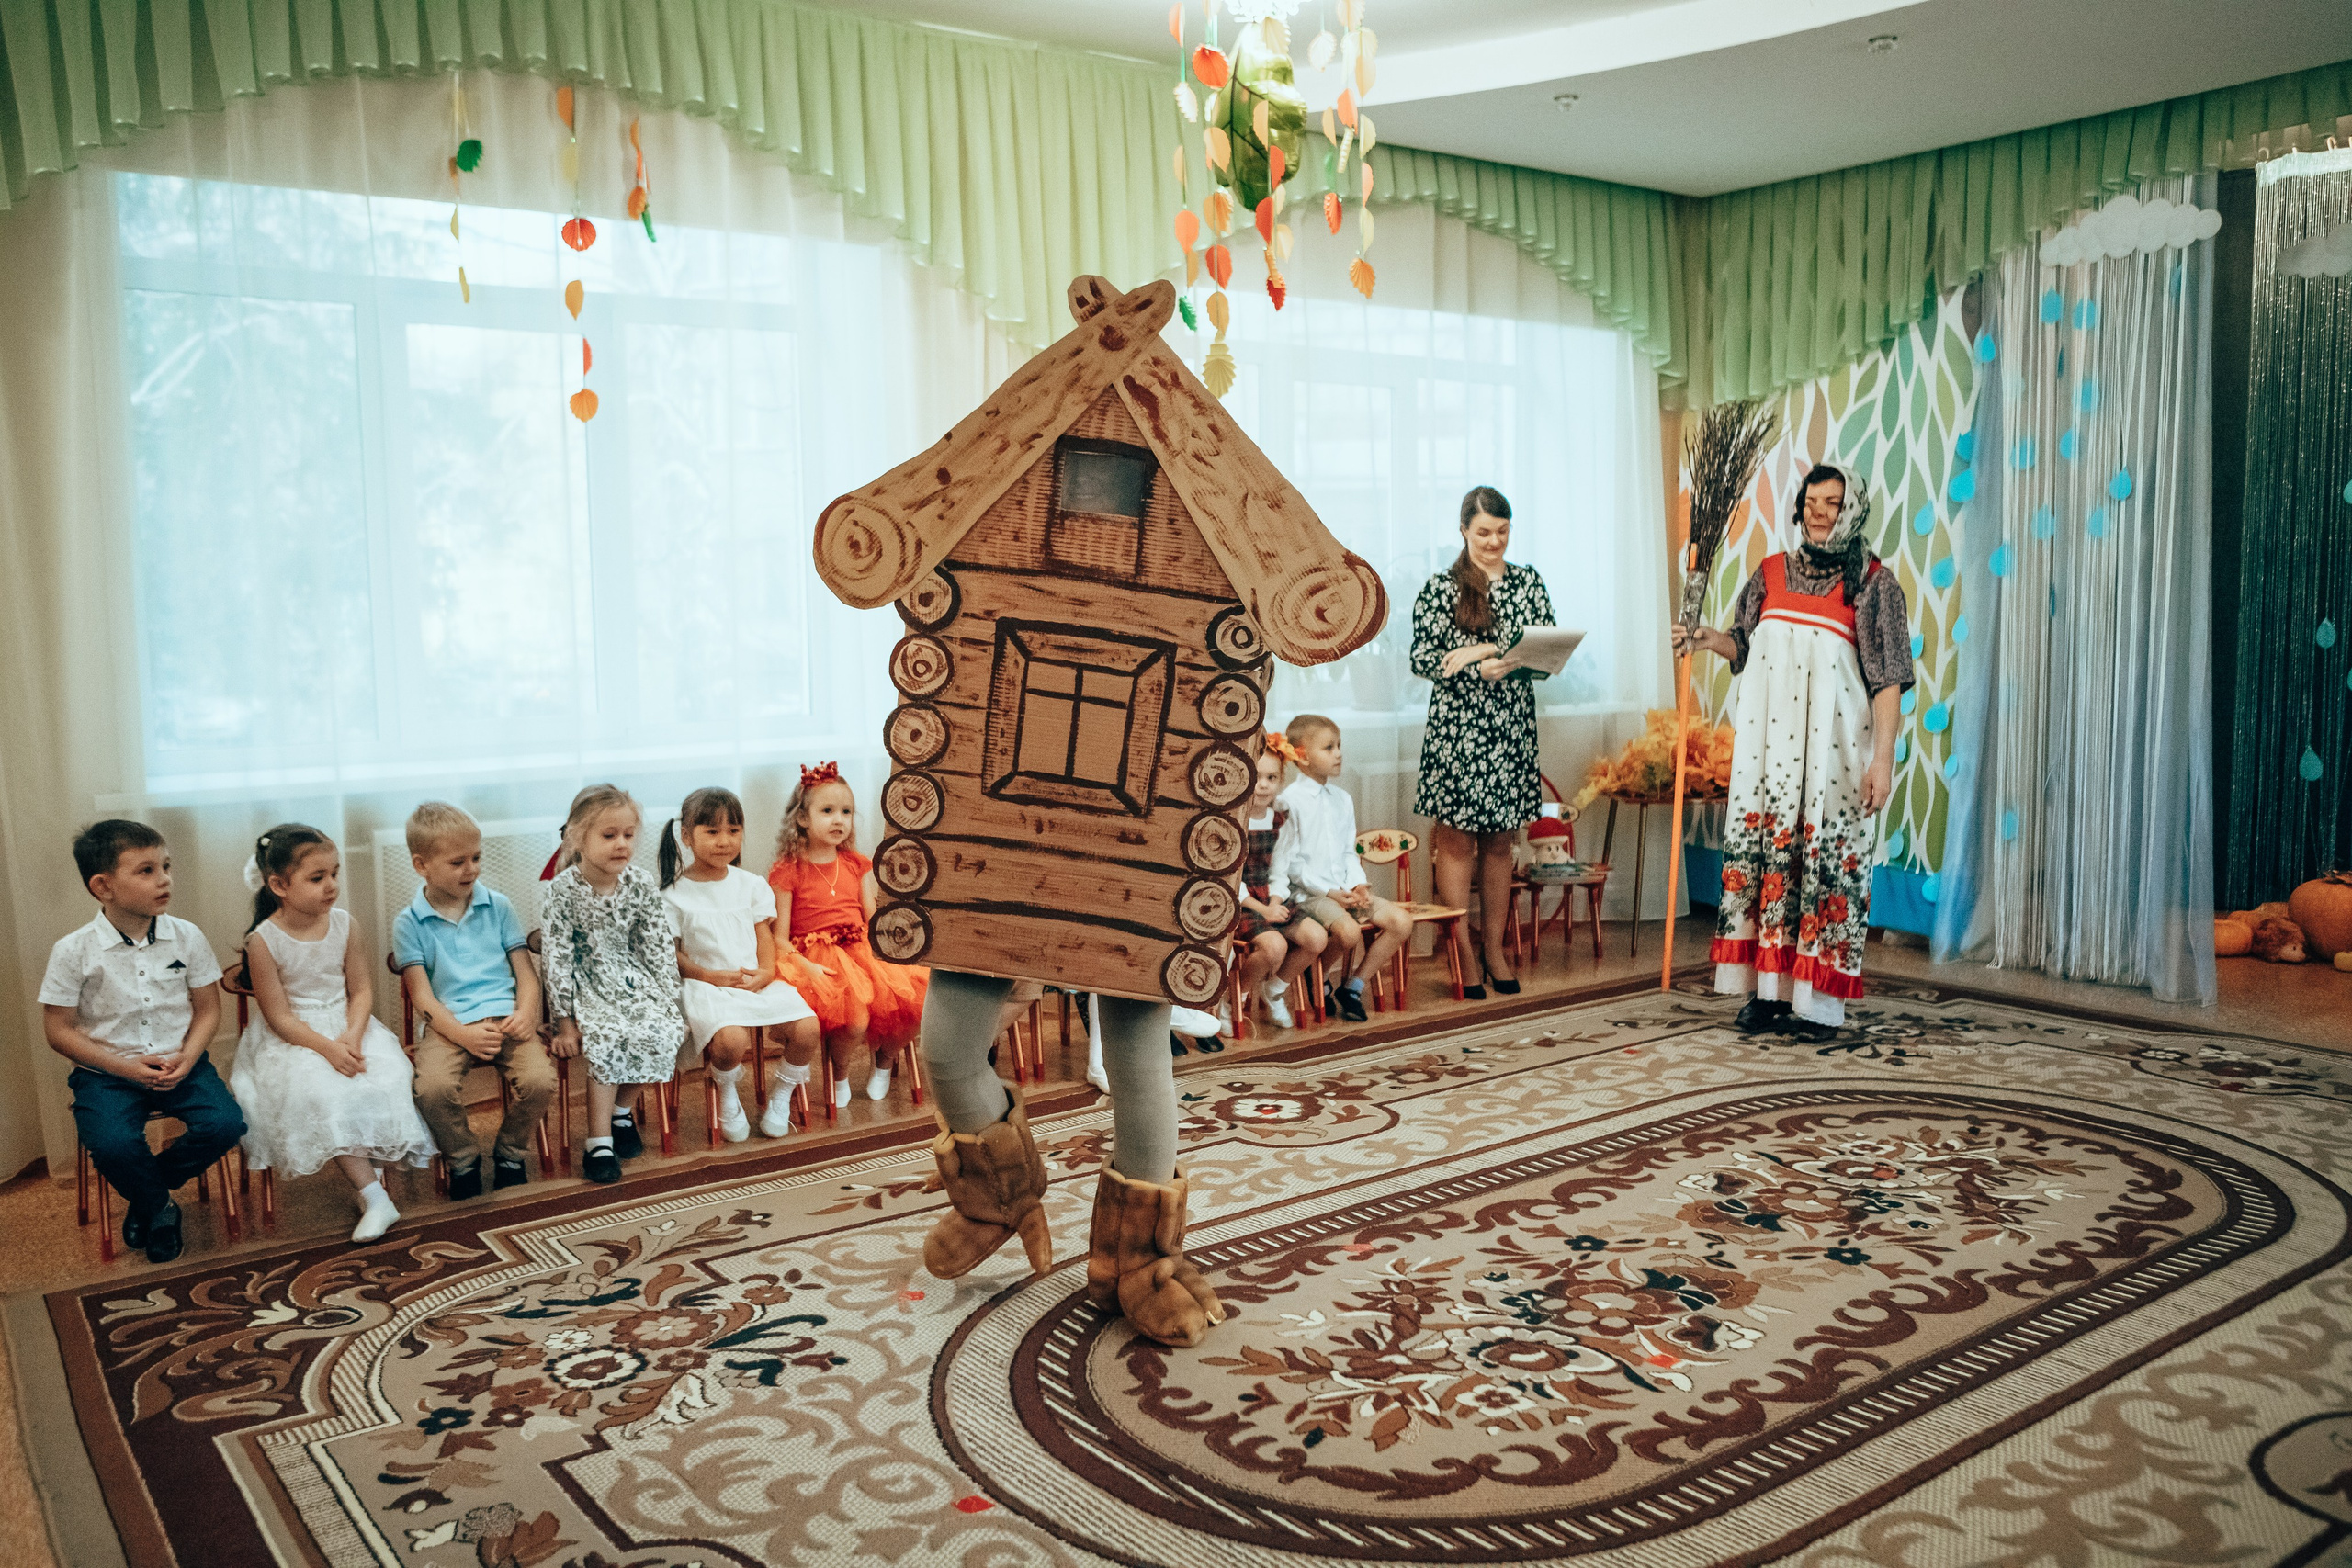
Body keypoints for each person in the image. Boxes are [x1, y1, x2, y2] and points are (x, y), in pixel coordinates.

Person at [1672, 462, 1912, 1041]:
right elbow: (1745, 645)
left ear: (1853, 511)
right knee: (1768, 865)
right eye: (1811, 500)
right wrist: (1708, 639)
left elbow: (1888, 683)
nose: (1819, 511)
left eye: (1833, 502)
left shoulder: (1874, 585)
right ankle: (1767, 995)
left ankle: (1820, 1004)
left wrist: (1882, 760)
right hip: (1770, 762)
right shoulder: (1770, 573)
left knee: (1824, 869)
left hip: (1835, 763)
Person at [40, 820, 244, 1264]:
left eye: (166, 867)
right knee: (112, 1144)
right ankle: (161, 1207)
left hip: (181, 1064)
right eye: (146, 870)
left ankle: (146, 1195)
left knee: (226, 1125)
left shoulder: (187, 936)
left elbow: (209, 1010)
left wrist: (188, 1058)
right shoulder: (72, 950)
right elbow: (58, 1031)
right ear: (103, 886)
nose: (164, 879)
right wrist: (124, 1068)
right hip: (107, 1073)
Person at [231, 826, 435, 1241]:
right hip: (296, 1037)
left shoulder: (345, 924)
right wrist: (328, 1049)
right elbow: (279, 1018)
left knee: (388, 1075)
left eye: (335, 874)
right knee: (324, 1091)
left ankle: (368, 1178)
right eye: (317, 877)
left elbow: (361, 990)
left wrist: (353, 1037)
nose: (331, 886)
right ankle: (375, 1197)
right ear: (279, 886)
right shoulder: (262, 940)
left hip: (348, 1024)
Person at [1408, 485, 1558, 998]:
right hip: (1458, 730)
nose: (1495, 542)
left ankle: (1494, 948)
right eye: (1484, 533)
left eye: (1503, 532)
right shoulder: (1440, 587)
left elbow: (1546, 649)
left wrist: (1486, 651)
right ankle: (1464, 956)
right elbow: (1422, 657)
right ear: (1463, 531)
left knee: (1499, 842)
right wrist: (1474, 663)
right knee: (1455, 841)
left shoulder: (1528, 581)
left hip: (1511, 728)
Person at [394, 802, 553, 1199]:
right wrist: (462, 1035)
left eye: (476, 858)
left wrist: (526, 1012)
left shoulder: (498, 906)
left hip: (506, 1017)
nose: (471, 869)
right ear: (421, 865)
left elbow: (526, 975)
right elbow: (422, 996)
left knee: (540, 1082)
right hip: (449, 1025)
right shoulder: (408, 923)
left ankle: (510, 1153)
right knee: (432, 1089)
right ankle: (463, 1158)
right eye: (457, 862)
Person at [540, 785, 686, 1183]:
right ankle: (599, 1141)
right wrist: (564, 1022)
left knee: (665, 1029)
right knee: (610, 1035)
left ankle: (621, 1111)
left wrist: (669, 999)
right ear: (577, 837)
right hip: (586, 984)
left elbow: (656, 945)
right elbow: (557, 958)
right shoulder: (561, 891)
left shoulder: (640, 883)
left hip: (631, 979)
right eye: (609, 835)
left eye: (628, 835)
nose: (621, 844)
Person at [659, 787, 821, 1141]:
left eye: (733, 830)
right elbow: (672, 954)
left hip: (754, 979)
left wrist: (766, 972)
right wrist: (708, 975)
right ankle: (727, 1090)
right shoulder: (672, 895)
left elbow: (765, 937)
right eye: (712, 831)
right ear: (686, 836)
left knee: (808, 1028)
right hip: (705, 985)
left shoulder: (751, 885)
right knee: (731, 1042)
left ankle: (782, 1093)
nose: (724, 841)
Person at [767, 762, 927, 1108]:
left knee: (917, 1002)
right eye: (827, 811)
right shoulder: (788, 870)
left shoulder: (856, 863)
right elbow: (779, 937)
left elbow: (872, 918)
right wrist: (806, 967)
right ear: (802, 818)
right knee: (855, 1020)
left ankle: (885, 1060)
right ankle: (839, 1071)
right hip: (815, 956)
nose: (838, 820)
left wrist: (896, 949)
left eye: (846, 812)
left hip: (861, 946)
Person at [1272, 714, 1413, 1021]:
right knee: (1348, 934)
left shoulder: (1342, 799)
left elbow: (1349, 852)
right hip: (1310, 893)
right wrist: (1331, 892)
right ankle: (1318, 975)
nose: (1338, 754)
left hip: (1344, 890)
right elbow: (1291, 865)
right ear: (1302, 756)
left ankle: (1352, 986)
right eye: (1329, 748)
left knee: (1401, 922)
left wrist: (1358, 884)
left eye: (1339, 746)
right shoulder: (1288, 802)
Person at [1233, 735, 1329, 1029]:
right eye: (1256, 777)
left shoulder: (1279, 820)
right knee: (1274, 947)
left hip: (1268, 898)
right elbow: (1229, 879)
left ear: (1280, 780)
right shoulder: (1234, 820)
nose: (1263, 785)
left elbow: (1279, 869)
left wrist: (1275, 902)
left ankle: (1274, 990)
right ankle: (1235, 997)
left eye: (1271, 778)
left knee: (1317, 938)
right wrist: (1263, 910)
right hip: (1239, 901)